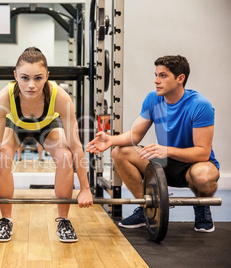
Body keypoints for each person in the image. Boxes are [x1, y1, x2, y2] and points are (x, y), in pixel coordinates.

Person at [0, 47, 93, 243]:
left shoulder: (60, 97)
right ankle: (5, 220)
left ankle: (63, 220)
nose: (31, 85)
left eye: (38, 78)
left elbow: (76, 146)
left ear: (47, 77)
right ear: (15, 75)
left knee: (66, 156)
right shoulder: (3, 98)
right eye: (25, 78)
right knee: (1, 156)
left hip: (47, 126)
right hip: (16, 126)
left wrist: (85, 188)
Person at [86, 55, 220, 232]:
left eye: (163, 76)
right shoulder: (153, 99)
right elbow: (136, 134)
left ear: (180, 78)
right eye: (156, 75)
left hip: (193, 165)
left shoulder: (200, 105)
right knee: (120, 152)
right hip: (163, 162)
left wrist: (168, 151)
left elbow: (203, 153)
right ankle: (147, 207)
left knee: (204, 176)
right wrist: (111, 140)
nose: (156, 81)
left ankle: (202, 206)